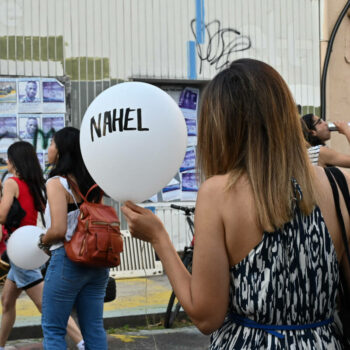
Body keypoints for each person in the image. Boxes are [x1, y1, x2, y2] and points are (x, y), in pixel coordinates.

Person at [121, 59, 349, 348]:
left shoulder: (218, 193)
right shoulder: (340, 184)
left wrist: (158, 238)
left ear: (221, 127)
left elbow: (206, 316)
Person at [0, 141, 85, 350]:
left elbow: (2, 216)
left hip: (20, 252)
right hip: (28, 248)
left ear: (14, 161)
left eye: (8, 159)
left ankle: (82, 342)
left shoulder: (11, 183)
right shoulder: (35, 184)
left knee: (48, 307)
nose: (7, 162)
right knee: (7, 301)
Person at [38, 127, 109, 349]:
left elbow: (58, 229)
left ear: (61, 151)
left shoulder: (57, 182)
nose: (48, 148)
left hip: (67, 260)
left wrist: (43, 240)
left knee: (53, 328)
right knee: (94, 327)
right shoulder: (94, 182)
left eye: (51, 143)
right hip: (98, 261)